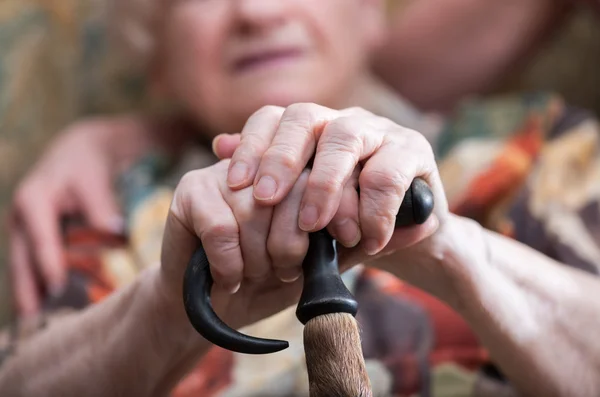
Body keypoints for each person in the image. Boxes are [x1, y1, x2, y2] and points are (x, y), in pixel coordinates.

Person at [2, 0, 600, 396]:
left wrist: (452, 248)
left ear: (369, 10)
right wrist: (167, 306)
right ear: (156, 62)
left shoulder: (539, 145)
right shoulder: (112, 201)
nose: (258, 11)